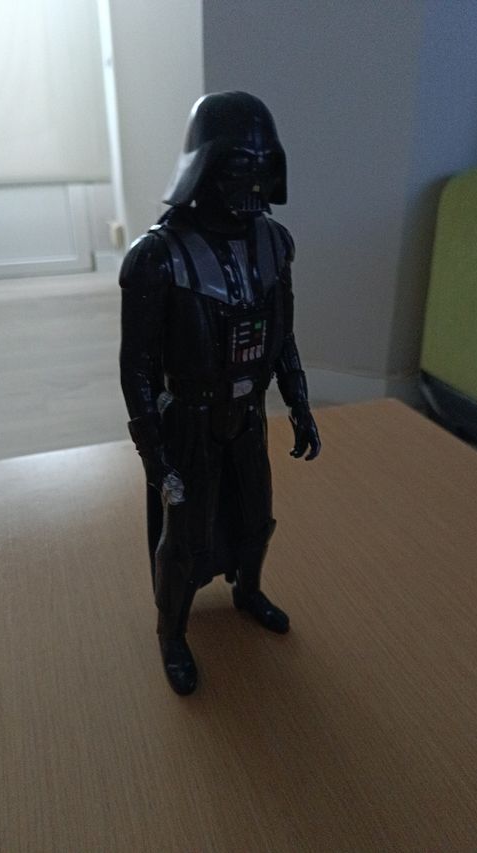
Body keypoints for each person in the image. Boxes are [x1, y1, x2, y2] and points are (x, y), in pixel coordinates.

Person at [119, 91, 320, 695]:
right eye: (237, 167)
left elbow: (283, 334)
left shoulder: (275, 244)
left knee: (257, 520)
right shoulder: (157, 258)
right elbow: (137, 368)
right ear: (203, 167)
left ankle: (248, 591)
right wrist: (155, 457)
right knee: (185, 540)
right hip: (190, 420)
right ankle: (171, 632)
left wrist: (299, 403)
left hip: (249, 414)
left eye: (262, 168)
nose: (252, 185)